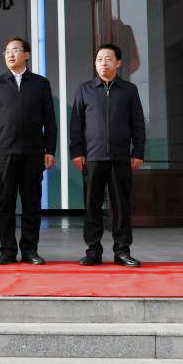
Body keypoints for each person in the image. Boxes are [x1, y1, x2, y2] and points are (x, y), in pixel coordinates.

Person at [69, 42, 146, 268]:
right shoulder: (84, 90)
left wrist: (138, 151)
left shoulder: (129, 90)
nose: (103, 63)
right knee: (91, 205)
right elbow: (76, 124)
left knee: (121, 206)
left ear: (118, 63)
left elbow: (138, 123)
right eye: (99, 59)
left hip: (121, 157)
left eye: (109, 59)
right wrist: (76, 151)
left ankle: (122, 251)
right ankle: (93, 250)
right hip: (92, 157)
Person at [0, 37, 57, 265]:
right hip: (4, 153)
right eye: (6, 52)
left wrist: (50, 149)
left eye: (15, 50)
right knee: (4, 203)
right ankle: (7, 250)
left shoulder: (40, 84)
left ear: (27, 54)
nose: (10, 55)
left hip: (33, 152)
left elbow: (50, 120)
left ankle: (30, 250)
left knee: (31, 203)